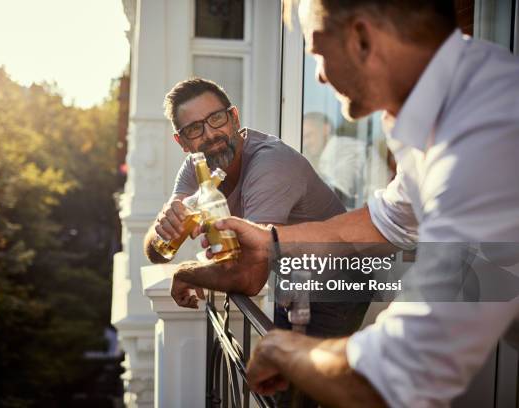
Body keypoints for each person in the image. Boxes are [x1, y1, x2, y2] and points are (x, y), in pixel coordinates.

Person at [189, 0, 519, 406]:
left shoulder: (486, 133)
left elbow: (401, 372)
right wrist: (270, 240)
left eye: (317, 53)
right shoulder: (448, 101)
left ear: (361, 38)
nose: (320, 77)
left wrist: (283, 350)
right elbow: (387, 222)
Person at [143, 77, 369, 338]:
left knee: (304, 375)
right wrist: (165, 223)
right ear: (181, 142)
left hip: (336, 288)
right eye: (194, 129)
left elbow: (250, 278)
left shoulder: (270, 164)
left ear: (234, 118)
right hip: (292, 285)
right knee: (278, 370)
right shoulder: (197, 167)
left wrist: (189, 273)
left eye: (216, 118)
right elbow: (158, 252)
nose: (210, 134)